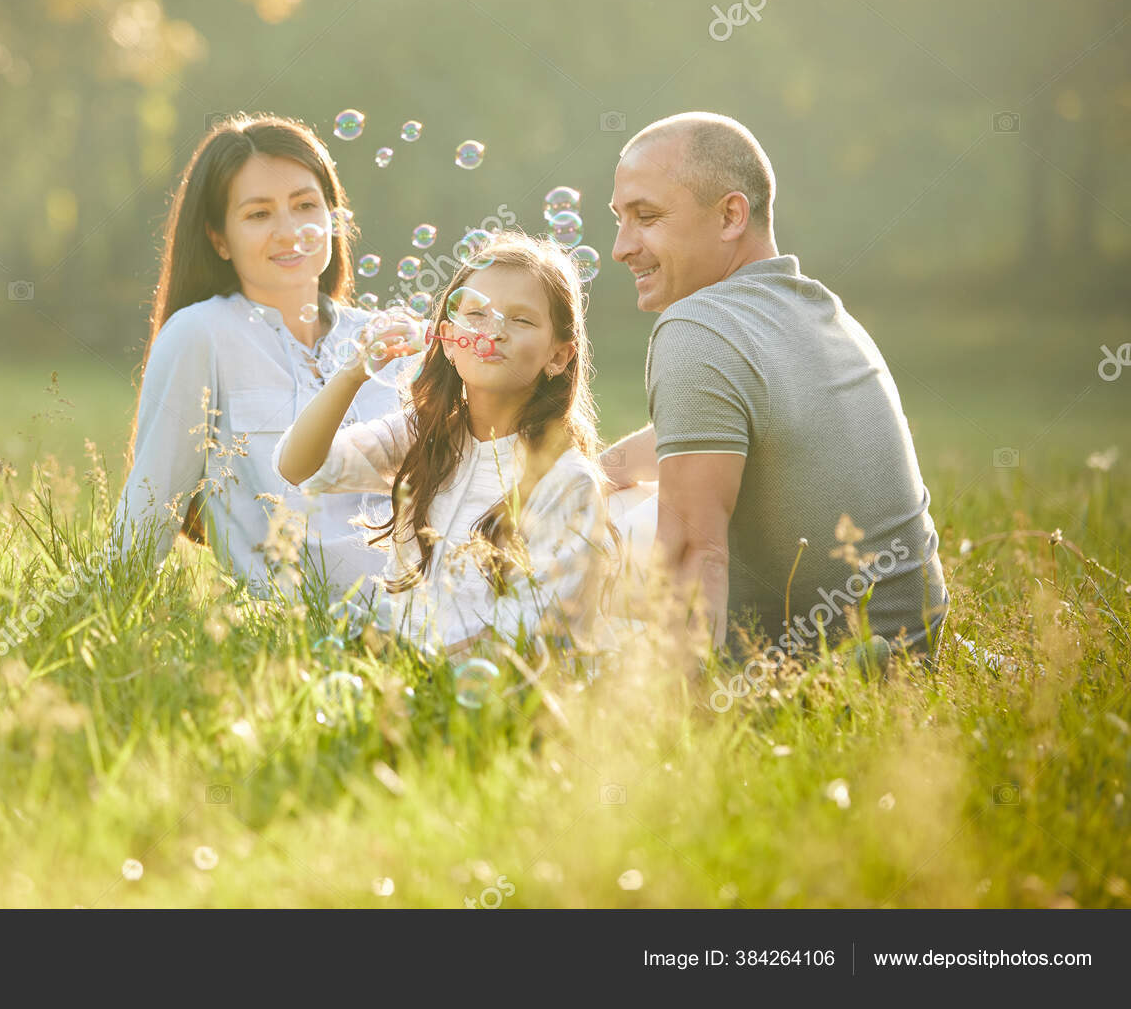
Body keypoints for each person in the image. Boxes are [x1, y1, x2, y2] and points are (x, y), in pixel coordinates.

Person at [600, 111, 948, 664]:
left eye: (647, 217)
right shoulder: (817, 313)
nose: (621, 247)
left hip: (816, 667)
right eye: (620, 219)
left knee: (577, 542)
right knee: (600, 498)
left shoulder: (697, 327)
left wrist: (678, 720)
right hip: (913, 642)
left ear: (731, 215)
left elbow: (692, 550)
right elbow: (723, 429)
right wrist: (596, 473)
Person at [275, 231, 653, 657]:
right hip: (421, 680)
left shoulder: (565, 481)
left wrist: (418, 664)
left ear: (558, 357)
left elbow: (533, 629)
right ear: (448, 341)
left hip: (513, 698)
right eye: (475, 313)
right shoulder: (423, 436)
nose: (494, 330)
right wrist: (353, 372)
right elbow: (298, 466)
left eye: (521, 320)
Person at [114, 113, 414, 601]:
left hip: (426, 613)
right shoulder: (201, 334)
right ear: (218, 238)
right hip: (302, 629)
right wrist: (108, 615)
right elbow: (151, 503)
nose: (289, 231)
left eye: (304, 205)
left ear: (333, 219)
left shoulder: (384, 340)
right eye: (258, 214)